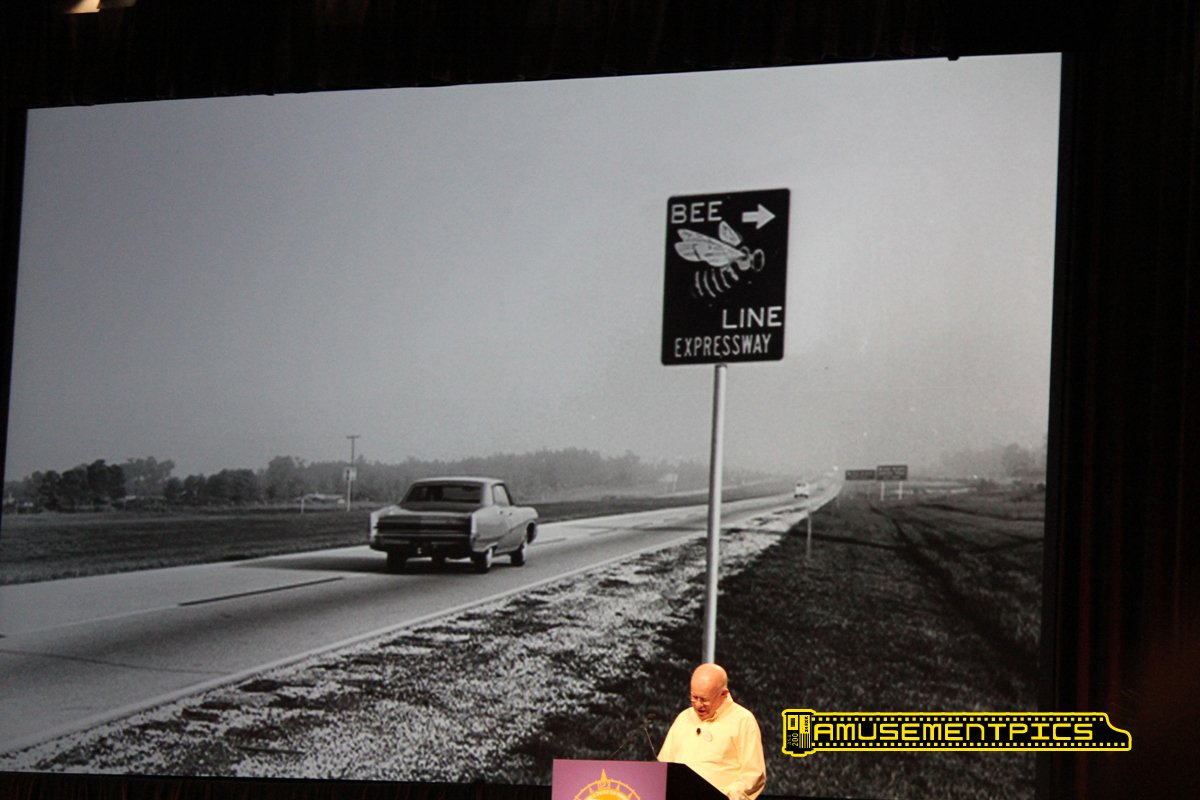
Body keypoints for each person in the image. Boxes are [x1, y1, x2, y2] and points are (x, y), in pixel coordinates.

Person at [657, 663, 766, 800]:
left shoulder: (742, 720)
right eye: (694, 697)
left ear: (723, 694)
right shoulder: (684, 718)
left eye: (704, 700)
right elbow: (663, 766)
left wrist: (724, 796)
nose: (698, 705)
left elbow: (753, 775)